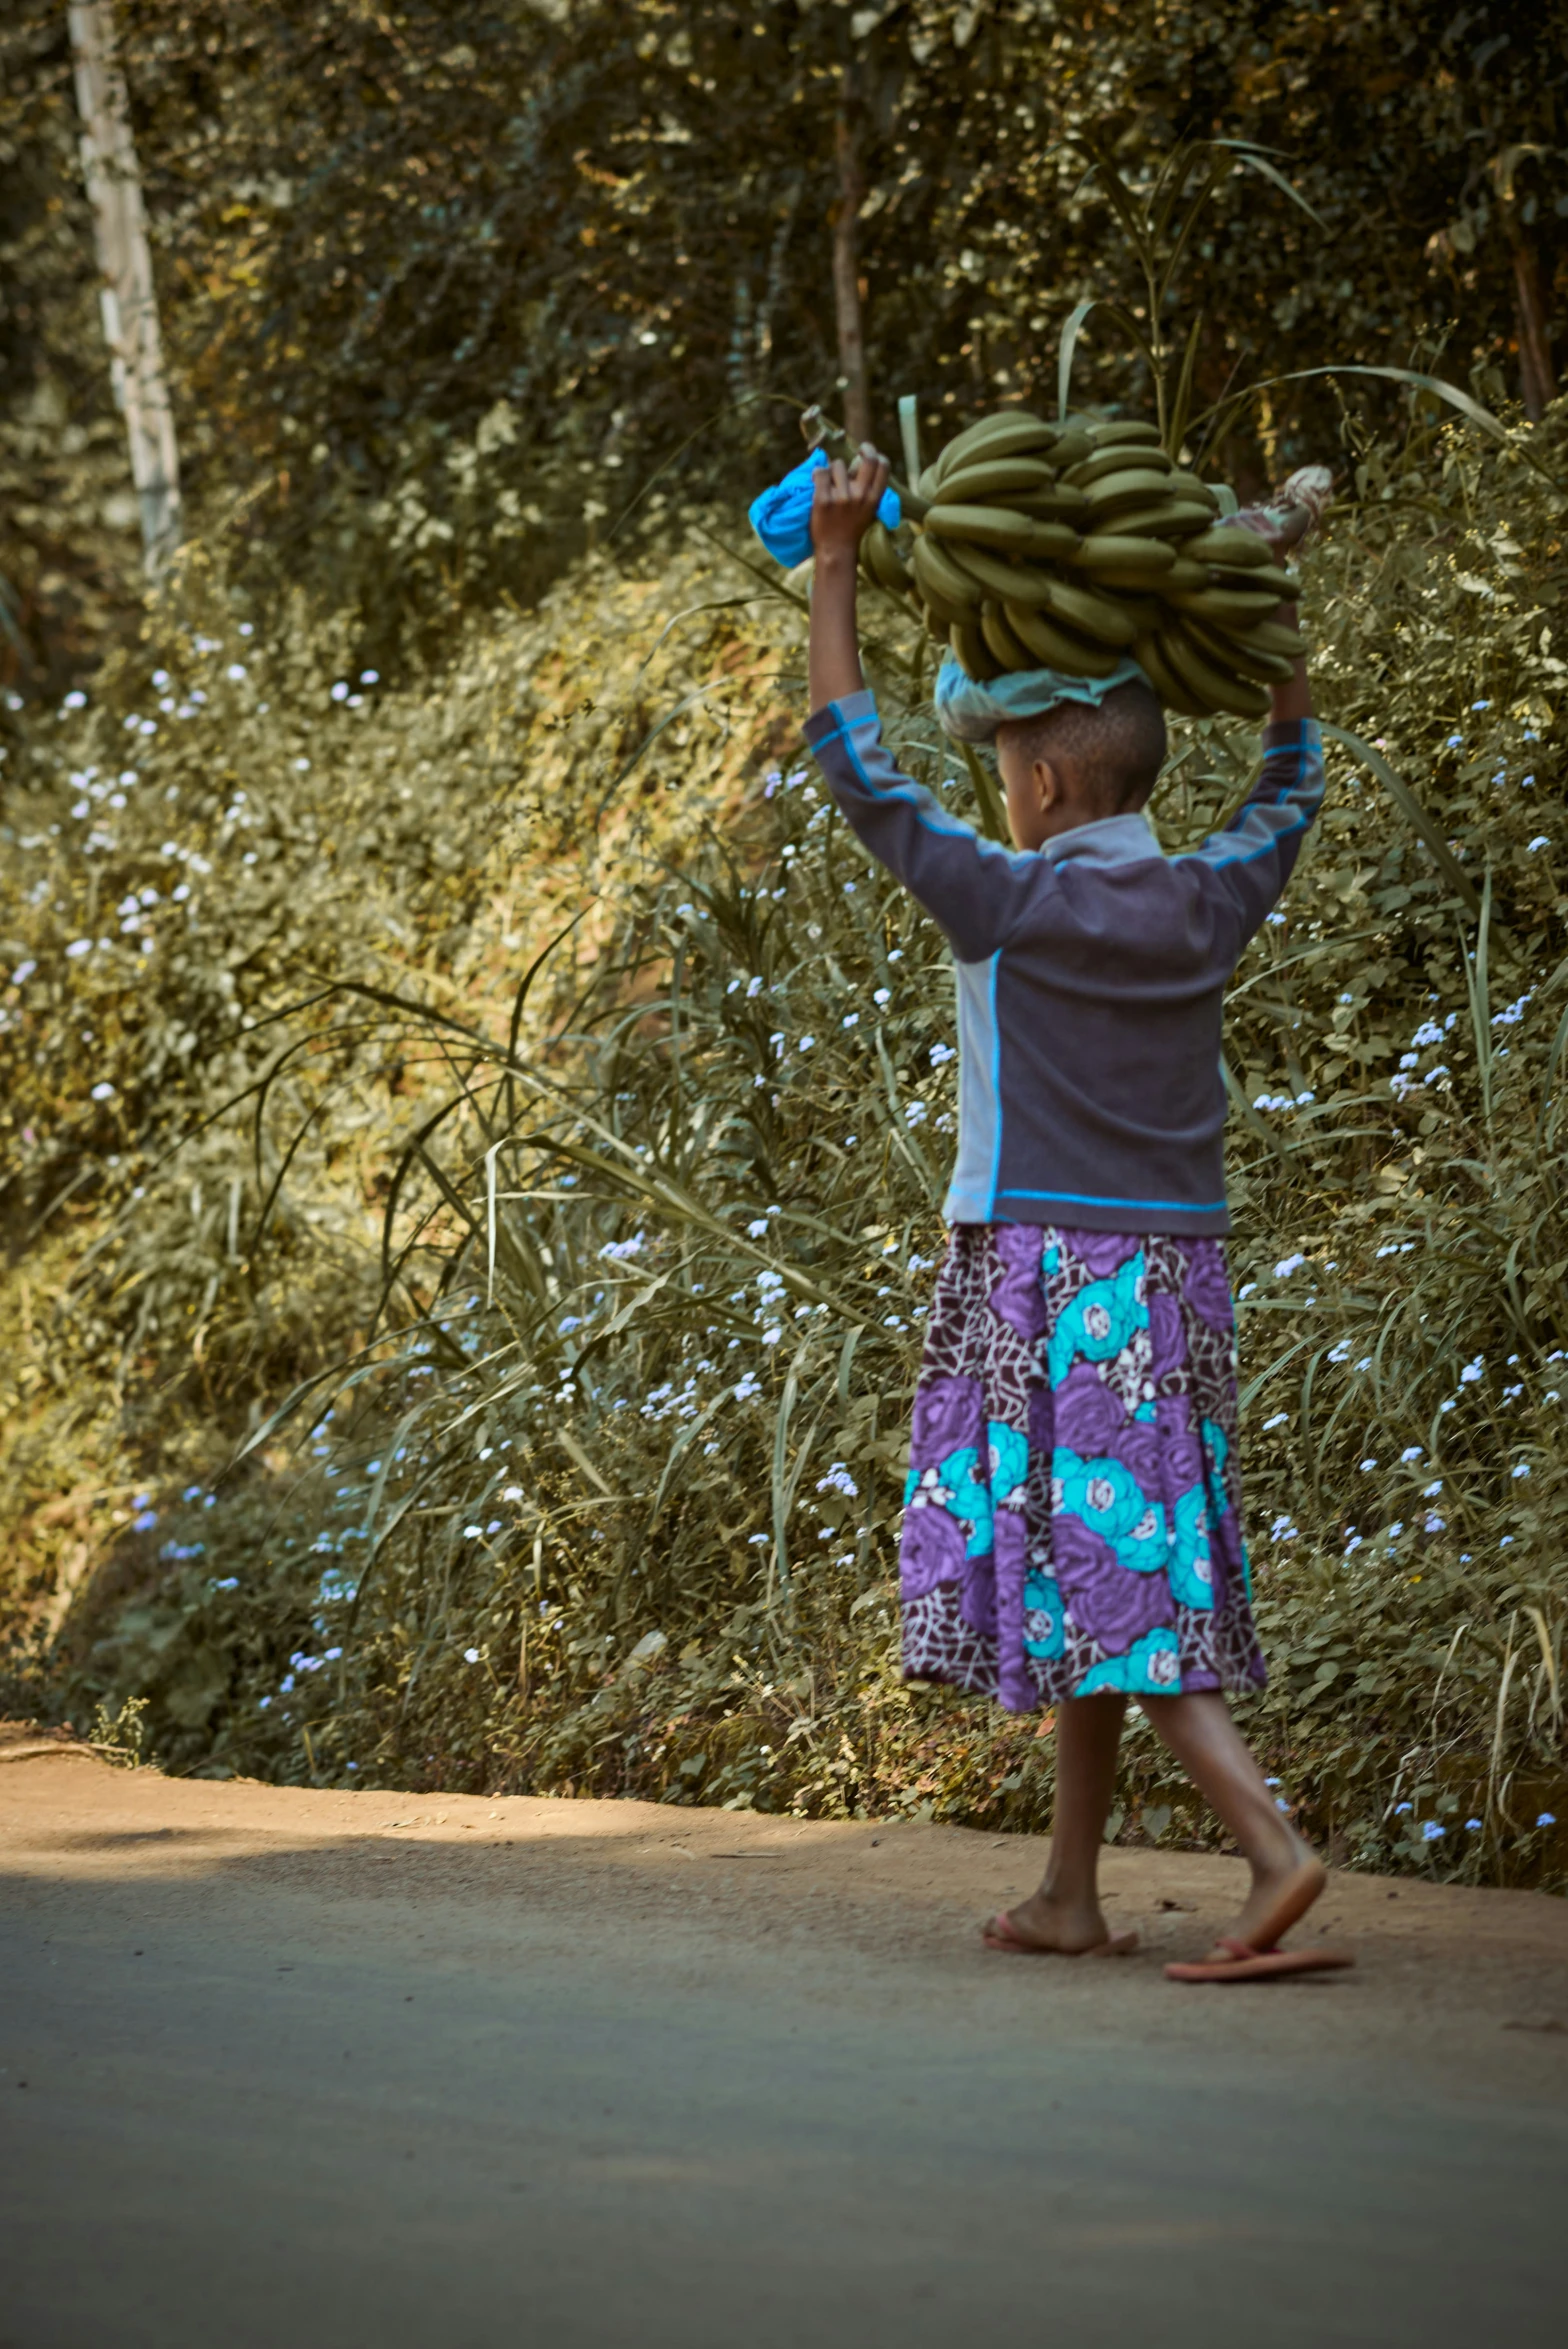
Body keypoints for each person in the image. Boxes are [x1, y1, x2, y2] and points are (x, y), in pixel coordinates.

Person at [802, 443, 1346, 1982]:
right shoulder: (1210, 894)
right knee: (1096, 1554)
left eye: (1005, 772)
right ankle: (1069, 1890)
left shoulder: (1009, 898)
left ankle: (1274, 1847)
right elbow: (1289, 779)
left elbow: (854, 762)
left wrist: (837, 562)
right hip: (1180, 1278)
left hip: (1044, 1269)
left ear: (1039, 783)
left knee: (1115, 1579)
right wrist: (1271, 615)